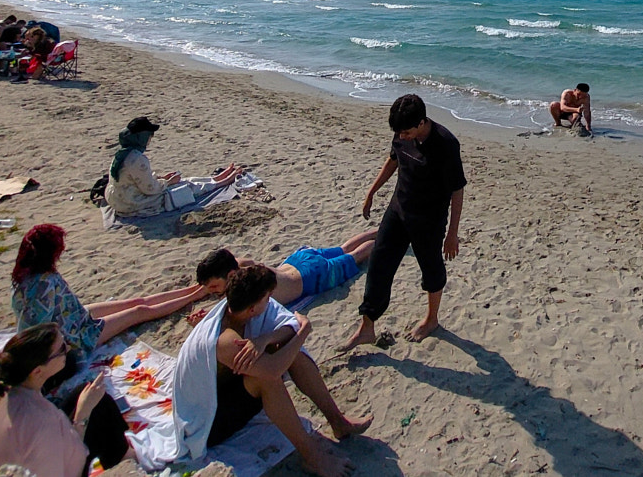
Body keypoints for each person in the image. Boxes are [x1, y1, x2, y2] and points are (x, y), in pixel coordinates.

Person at [172, 266, 364, 477]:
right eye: (267, 298)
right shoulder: (226, 339)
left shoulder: (241, 307)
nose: (271, 301)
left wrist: (265, 339)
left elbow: (288, 321)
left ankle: (338, 422)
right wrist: (304, 332)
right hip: (207, 422)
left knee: (293, 353)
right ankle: (312, 457)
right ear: (252, 309)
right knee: (267, 378)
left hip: (229, 392)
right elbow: (273, 370)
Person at [341, 94, 466, 350]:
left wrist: (452, 233)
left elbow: (457, 190)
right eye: (399, 132)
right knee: (378, 265)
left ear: (422, 122)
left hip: (429, 219)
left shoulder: (445, 144)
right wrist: (372, 191)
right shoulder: (401, 130)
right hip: (398, 210)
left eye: (407, 132)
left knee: (431, 269)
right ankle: (367, 327)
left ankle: (431, 319)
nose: (403, 136)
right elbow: (393, 160)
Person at [11, 224, 212, 366]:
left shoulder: (28, 273)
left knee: (136, 302)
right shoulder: (41, 285)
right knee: (139, 311)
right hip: (75, 335)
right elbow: (44, 333)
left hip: (73, 316)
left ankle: (193, 289)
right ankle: (195, 294)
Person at [0, 323, 103, 477]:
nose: (69, 349)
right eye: (62, 349)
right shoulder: (43, 420)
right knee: (97, 404)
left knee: (83, 393)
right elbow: (70, 470)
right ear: (37, 371)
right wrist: (83, 414)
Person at [188, 229, 379, 318]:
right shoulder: (242, 266)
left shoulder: (247, 287)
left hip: (312, 276)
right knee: (343, 248)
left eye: (214, 286)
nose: (212, 292)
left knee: (355, 256)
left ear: (230, 276)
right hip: (299, 260)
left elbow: (233, 316)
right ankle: (381, 229)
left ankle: (385, 239)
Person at [105, 116, 245, 218]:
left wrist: (161, 178)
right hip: (133, 203)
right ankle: (222, 182)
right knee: (186, 188)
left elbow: (136, 179)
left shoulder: (122, 154)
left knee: (183, 180)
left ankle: (215, 178)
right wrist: (168, 182)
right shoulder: (137, 159)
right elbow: (151, 189)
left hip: (119, 198)